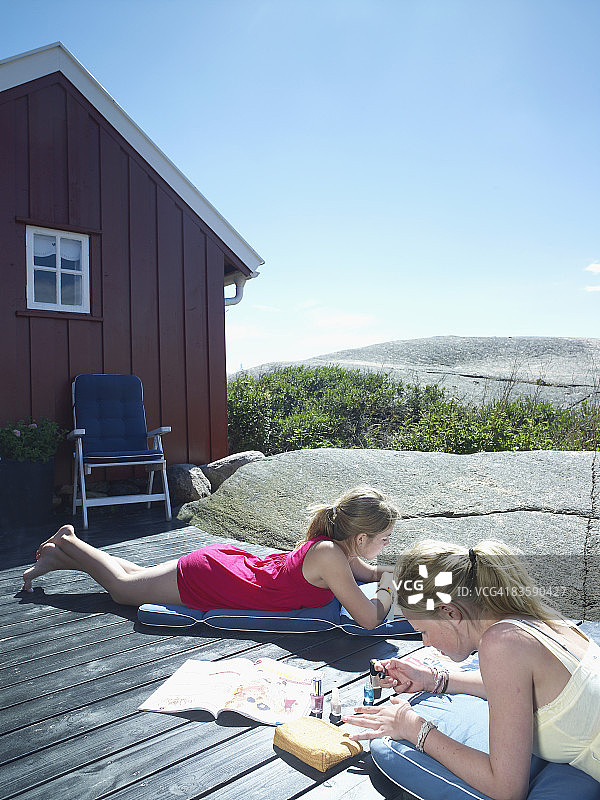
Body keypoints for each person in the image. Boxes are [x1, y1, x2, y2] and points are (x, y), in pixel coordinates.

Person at [343, 539, 600, 797]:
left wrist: (412, 727)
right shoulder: (528, 617)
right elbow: (520, 691)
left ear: (450, 613)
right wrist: (434, 679)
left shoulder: (501, 644)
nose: (427, 643)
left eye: (424, 631)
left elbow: (506, 790)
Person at [22, 486, 398, 630]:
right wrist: (392, 591)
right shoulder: (332, 554)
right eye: (383, 539)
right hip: (216, 579)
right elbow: (368, 619)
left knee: (138, 575)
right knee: (122, 591)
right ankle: (71, 539)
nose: (385, 545)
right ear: (361, 536)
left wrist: (396, 574)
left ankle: (61, 557)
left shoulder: (339, 546)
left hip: (226, 566)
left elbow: (372, 572)